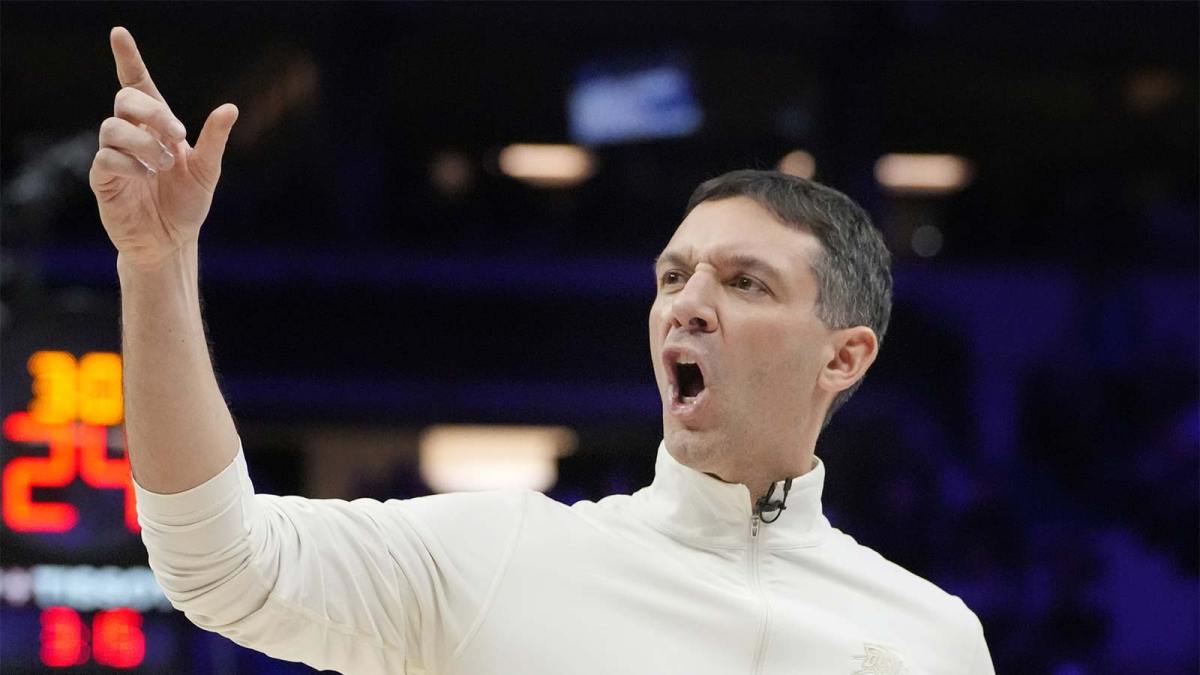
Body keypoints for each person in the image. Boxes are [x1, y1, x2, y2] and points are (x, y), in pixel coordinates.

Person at [91, 26, 994, 675]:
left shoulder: (933, 639)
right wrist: (158, 267)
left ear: (844, 357)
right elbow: (218, 559)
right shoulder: (499, 556)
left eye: (745, 282)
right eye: (674, 276)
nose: (688, 305)